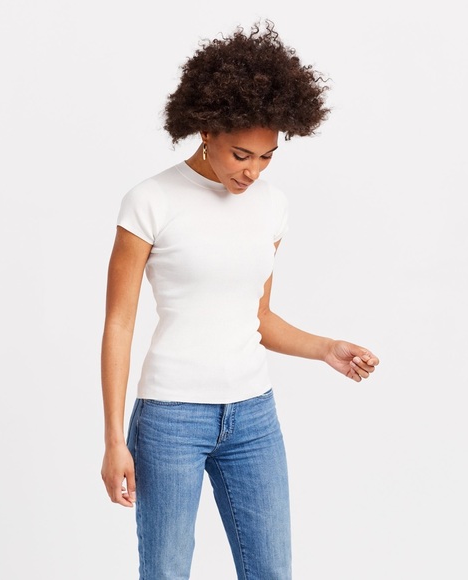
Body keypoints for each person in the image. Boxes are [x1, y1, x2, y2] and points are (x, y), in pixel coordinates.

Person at [100, 19, 379, 580]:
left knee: (272, 571)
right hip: (171, 418)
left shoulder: (272, 207)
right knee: (166, 572)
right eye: (241, 154)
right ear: (206, 130)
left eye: (267, 156)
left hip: (254, 416)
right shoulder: (150, 201)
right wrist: (113, 441)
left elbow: (258, 317)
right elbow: (119, 325)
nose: (252, 171)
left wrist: (327, 348)